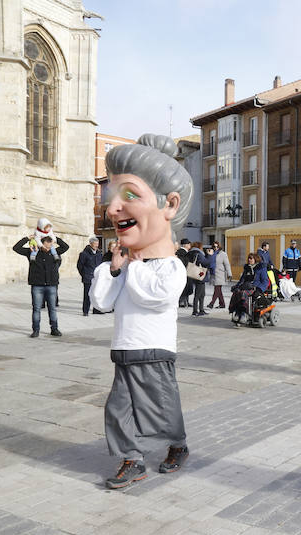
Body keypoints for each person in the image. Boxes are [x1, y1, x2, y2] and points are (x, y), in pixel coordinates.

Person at [89, 133, 193, 490]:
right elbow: (101, 302)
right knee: (117, 410)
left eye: (129, 195)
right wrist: (115, 268)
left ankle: (177, 445)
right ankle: (132, 460)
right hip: (124, 349)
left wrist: (133, 266)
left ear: (171, 205)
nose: (113, 208)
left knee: (160, 409)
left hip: (154, 351)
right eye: (111, 197)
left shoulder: (171, 267)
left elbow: (155, 296)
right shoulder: (131, 265)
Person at [13, 233, 69, 337]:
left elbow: (66, 247)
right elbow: (16, 248)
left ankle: (54, 329)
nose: (50, 247)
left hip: (51, 285)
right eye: (48, 245)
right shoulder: (32, 252)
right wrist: (27, 238)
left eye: (51, 245)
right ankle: (36, 330)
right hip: (37, 285)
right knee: (36, 309)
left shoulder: (54, 252)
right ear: (41, 244)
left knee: (52, 308)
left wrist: (55, 238)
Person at [230, 253, 270, 324]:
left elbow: (265, 281)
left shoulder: (261, 268)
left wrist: (259, 289)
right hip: (245, 286)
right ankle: (237, 312)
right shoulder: (247, 268)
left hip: (254, 288)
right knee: (236, 292)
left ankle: (244, 314)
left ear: (255, 259)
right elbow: (241, 280)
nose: (249, 260)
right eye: (248, 258)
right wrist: (236, 286)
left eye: (251, 258)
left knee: (243, 294)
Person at [77, 236, 104, 316]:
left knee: (96, 294)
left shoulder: (99, 253)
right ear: (91, 244)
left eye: (97, 244)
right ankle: (85, 311)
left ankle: (96, 309)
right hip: (88, 277)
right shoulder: (84, 254)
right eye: (95, 244)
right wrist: (84, 274)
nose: (96, 245)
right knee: (87, 295)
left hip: (97, 277)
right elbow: (79, 266)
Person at [187, 241, 210, 316]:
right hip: (200, 276)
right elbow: (205, 263)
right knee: (198, 294)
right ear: (200, 247)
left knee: (202, 294)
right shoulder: (199, 254)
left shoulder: (191, 253)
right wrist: (209, 256)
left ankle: (201, 310)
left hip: (195, 275)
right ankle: (195, 311)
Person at [207, 241, 232, 309]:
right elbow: (208, 262)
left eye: (217, 246)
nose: (216, 248)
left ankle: (211, 303)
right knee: (219, 290)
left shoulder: (223, 254)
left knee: (217, 289)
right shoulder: (211, 253)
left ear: (219, 246)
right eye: (214, 246)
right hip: (213, 273)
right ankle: (222, 304)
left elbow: (227, 264)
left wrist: (229, 273)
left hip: (220, 274)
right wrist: (209, 255)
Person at [176, 239, 192, 307]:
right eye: (188, 244)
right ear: (185, 245)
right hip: (184, 272)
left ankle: (186, 301)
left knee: (187, 286)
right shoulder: (182, 252)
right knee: (184, 286)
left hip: (185, 272)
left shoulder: (183, 252)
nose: (189, 245)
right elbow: (184, 262)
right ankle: (182, 301)